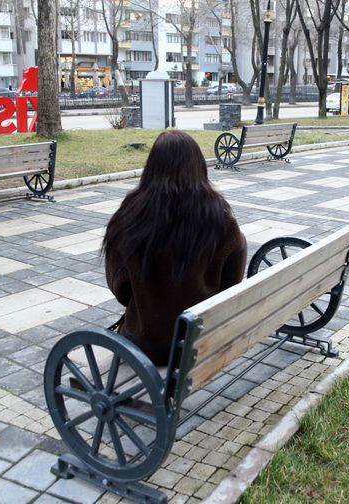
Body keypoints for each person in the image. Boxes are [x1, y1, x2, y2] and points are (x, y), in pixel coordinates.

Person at [103, 130, 247, 365]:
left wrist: (145, 299)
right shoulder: (220, 217)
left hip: (145, 344)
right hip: (200, 341)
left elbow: (119, 286)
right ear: (199, 166)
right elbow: (233, 280)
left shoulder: (130, 214)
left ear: (152, 167)